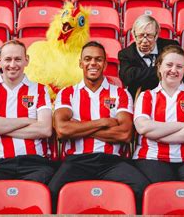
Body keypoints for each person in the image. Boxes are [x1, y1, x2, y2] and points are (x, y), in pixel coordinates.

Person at [48, 41, 150, 212]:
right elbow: (62, 130)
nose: (93, 63)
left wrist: (79, 128)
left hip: (112, 161)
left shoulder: (120, 93)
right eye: (87, 59)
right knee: (52, 192)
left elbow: (125, 134)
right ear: (80, 63)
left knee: (143, 189)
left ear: (105, 63)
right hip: (77, 160)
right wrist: (102, 122)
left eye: (98, 59)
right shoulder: (67, 93)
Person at [133, 45, 184, 187]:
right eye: (169, 65)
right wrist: (182, 125)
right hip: (151, 157)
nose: (173, 70)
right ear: (159, 67)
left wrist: (156, 135)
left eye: (179, 66)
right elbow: (143, 128)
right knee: (163, 189)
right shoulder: (147, 96)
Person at [0, 40, 55, 184]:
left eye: (18, 59)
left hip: (36, 163)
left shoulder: (40, 89)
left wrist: (0, 125)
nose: (12, 65)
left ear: (27, 60)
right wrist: (28, 120)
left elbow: (45, 130)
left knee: (38, 192)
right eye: (8, 59)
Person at [118, 14, 183, 100]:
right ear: (134, 34)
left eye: (149, 36)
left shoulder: (171, 46)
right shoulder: (126, 54)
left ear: (156, 35)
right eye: (140, 36)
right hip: (140, 100)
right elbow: (128, 78)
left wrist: (141, 76)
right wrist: (162, 71)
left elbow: (181, 73)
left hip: (172, 96)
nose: (145, 41)